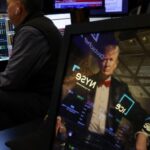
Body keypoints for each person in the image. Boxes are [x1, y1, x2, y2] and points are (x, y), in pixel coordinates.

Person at [58, 40, 150, 150]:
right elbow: (64, 105)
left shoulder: (120, 91)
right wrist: (59, 121)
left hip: (105, 146)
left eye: (111, 60)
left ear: (116, 64)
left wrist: (143, 136)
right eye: (104, 59)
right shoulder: (85, 81)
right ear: (99, 61)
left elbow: (144, 118)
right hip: (78, 141)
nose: (107, 64)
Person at [0, 0, 62, 129]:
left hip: (44, 102)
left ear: (19, 9)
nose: (7, 9)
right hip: (51, 97)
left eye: (8, 4)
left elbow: (9, 81)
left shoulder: (30, 32)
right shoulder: (43, 22)